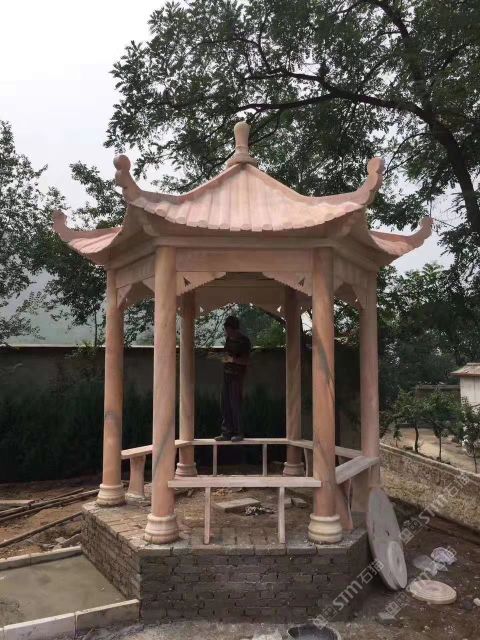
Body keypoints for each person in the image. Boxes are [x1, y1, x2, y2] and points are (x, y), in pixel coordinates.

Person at [215, 315, 251, 442]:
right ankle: (226, 432)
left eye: (229, 330)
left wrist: (233, 359)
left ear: (234, 329)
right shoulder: (228, 340)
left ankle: (238, 432)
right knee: (225, 403)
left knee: (235, 403)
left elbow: (246, 361)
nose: (227, 332)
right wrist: (221, 357)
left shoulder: (244, 341)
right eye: (226, 330)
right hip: (227, 375)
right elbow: (227, 354)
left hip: (237, 376)